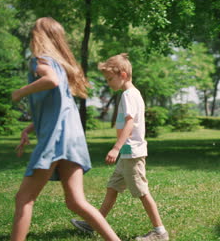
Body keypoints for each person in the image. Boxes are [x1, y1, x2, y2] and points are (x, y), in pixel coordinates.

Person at [10, 17, 121, 241]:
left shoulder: (41, 61)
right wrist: (30, 129)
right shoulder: (60, 66)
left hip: (55, 138)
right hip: (72, 137)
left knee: (24, 198)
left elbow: (50, 81)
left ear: (38, 36)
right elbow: (59, 107)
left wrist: (20, 92)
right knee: (76, 202)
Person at [71, 54, 169, 241]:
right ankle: (94, 224)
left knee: (142, 191)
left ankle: (159, 231)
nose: (108, 83)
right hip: (127, 154)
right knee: (112, 188)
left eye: (110, 79)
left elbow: (129, 124)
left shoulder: (128, 95)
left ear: (122, 74)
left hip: (131, 153)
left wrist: (116, 148)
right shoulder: (132, 94)